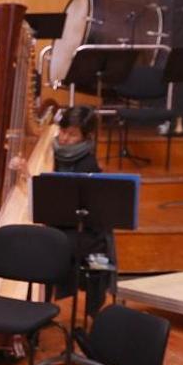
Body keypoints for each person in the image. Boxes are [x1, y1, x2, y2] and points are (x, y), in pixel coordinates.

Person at [50, 105, 113, 316]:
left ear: (87, 137)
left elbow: (83, 210)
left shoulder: (88, 164)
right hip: (56, 224)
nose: (65, 138)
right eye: (63, 131)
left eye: (72, 134)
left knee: (47, 243)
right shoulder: (50, 153)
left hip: (81, 229)